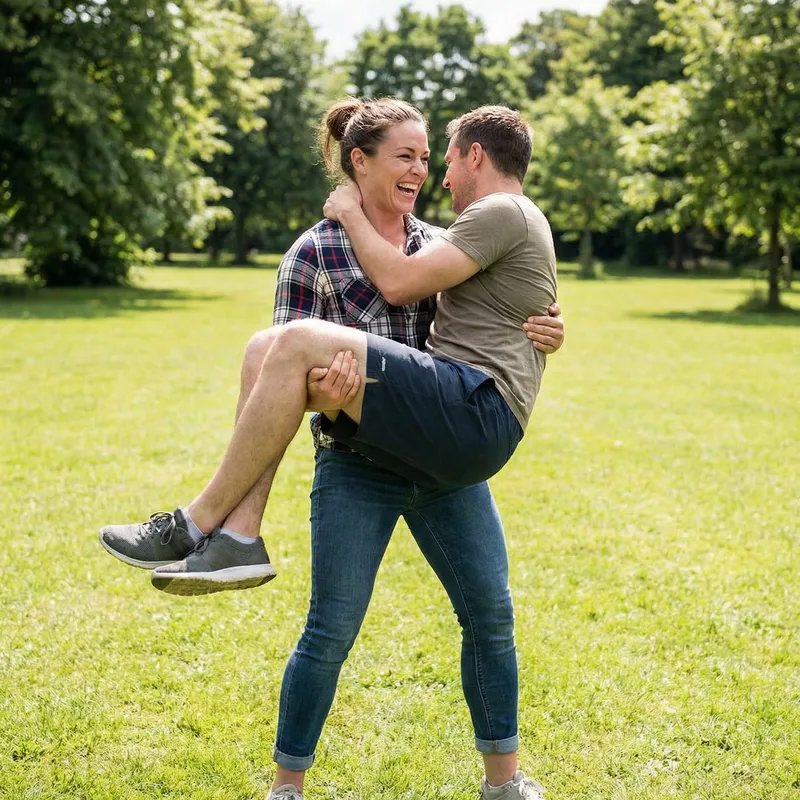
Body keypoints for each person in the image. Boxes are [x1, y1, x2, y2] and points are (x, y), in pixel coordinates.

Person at [100, 99, 560, 799]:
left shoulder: (446, 236)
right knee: (330, 627)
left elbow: (493, 311)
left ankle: (202, 526)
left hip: (439, 451)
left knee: (489, 614)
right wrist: (335, 388)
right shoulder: (312, 252)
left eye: (427, 156)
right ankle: (287, 787)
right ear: (359, 161)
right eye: (404, 156)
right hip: (359, 463)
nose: (421, 172)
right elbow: (276, 383)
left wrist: (548, 327)